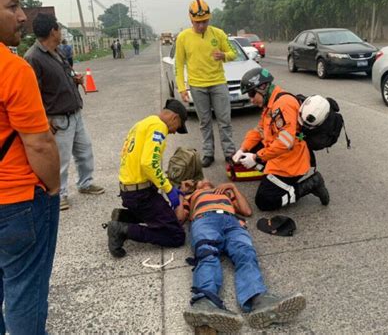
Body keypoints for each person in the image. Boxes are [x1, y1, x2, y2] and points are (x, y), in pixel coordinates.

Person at [0, 0, 61, 333]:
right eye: (12, 7)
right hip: (16, 201)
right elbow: (39, 143)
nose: (23, 16)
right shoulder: (12, 68)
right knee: (25, 293)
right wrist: (53, 188)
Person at [180, 179, 306, 332]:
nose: (202, 180)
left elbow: (247, 211)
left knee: (246, 255)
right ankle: (204, 302)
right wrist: (181, 194)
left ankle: (260, 300)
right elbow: (180, 218)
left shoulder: (225, 192)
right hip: (204, 219)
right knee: (207, 254)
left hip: (232, 221)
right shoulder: (192, 195)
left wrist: (232, 187)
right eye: (197, 180)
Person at [24, 13, 105, 211]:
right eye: (59, 29)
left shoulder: (57, 51)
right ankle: (60, 195)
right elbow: (32, 93)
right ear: (53, 31)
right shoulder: (33, 57)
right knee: (60, 159)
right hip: (58, 119)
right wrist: (44, 119)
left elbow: (62, 75)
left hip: (74, 113)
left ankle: (85, 183)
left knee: (84, 152)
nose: (60, 33)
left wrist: (74, 79)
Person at [233, 67, 330, 211]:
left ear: (263, 87)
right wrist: (243, 149)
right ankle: (272, 177)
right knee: (250, 150)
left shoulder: (284, 105)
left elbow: (285, 143)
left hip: (291, 161)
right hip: (280, 155)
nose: (251, 99)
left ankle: (312, 184)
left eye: (252, 94)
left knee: (264, 201)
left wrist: (256, 157)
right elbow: (259, 130)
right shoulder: (270, 104)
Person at [107, 99, 189, 258]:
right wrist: (169, 189)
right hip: (140, 194)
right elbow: (149, 163)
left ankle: (124, 217)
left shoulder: (143, 123)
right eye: (177, 128)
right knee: (176, 235)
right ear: (174, 118)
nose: (173, 132)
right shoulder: (160, 127)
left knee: (166, 217)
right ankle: (122, 229)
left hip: (130, 190)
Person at [175, 0, 237, 167]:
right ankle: (208, 153)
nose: (201, 25)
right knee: (205, 122)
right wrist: (182, 88)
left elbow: (233, 53)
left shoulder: (218, 33)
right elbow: (179, 65)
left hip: (218, 83)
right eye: (197, 22)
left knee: (225, 120)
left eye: (205, 21)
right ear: (191, 19)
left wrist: (224, 55)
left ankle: (229, 153)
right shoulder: (183, 37)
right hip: (197, 86)